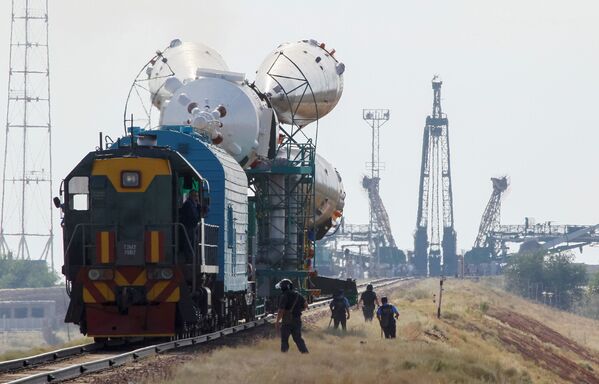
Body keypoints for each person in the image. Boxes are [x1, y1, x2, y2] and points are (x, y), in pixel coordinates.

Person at [274, 279, 309, 353]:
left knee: (284, 339)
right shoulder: (298, 295)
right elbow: (306, 305)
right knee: (298, 339)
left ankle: (284, 355)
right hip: (297, 320)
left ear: (283, 287)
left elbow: (281, 311)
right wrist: (298, 310)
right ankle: (305, 353)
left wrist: (277, 321)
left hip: (287, 321)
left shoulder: (284, 296)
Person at [180, 190, 201, 262]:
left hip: (192, 227)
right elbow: (193, 216)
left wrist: (198, 205)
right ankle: (189, 259)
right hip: (189, 227)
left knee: (193, 243)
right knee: (189, 243)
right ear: (191, 196)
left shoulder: (193, 204)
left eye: (197, 196)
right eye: (195, 196)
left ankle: (191, 258)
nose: (197, 198)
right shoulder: (188, 204)